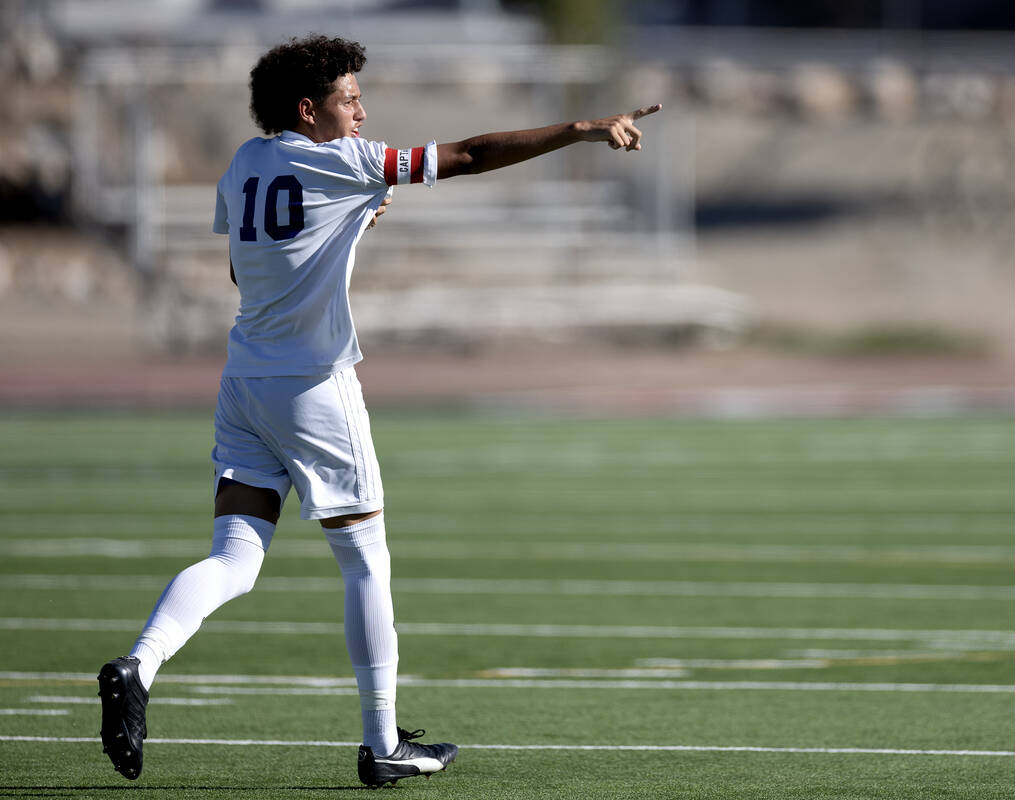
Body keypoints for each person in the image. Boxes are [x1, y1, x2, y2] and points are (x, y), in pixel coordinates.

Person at [97, 33, 660, 788]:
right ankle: (381, 741)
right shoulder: (349, 162)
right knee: (366, 559)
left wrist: (349, 221)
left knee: (235, 558)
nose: (362, 109)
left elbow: (245, 269)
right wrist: (582, 128)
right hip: (315, 388)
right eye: (348, 97)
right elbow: (470, 153)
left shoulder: (244, 162)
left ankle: (138, 665)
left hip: (245, 385)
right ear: (309, 108)